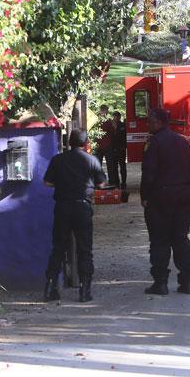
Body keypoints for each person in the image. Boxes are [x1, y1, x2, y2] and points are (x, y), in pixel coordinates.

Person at [43, 129, 107, 302]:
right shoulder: (91, 160)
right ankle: (85, 291)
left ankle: (50, 288)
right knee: (84, 249)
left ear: (69, 142)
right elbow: (101, 183)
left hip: (62, 207)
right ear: (85, 144)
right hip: (82, 207)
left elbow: (47, 182)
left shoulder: (58, 159)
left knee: (58, 248)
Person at [140, 108, 190, 295]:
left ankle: (161, 282)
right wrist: (189, 191)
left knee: (159, 240)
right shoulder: (182, 141)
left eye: (149, 121)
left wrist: (145, 196)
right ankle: (187, 281)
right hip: (183, 194)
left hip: (160, 197)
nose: (147, 124)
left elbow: (149, 173)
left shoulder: (154, 143)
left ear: (158, 122)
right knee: (181, 237)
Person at [109, 111, 127, 189]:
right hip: (113, 149)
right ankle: (117, 183)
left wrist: (124, 147)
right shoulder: (110, 126)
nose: (116, 118)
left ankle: (124, 183)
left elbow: (125, 137)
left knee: (122, 167)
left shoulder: (123, 125)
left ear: (119, 117)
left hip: (121, 149)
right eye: (115, 117)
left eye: (117, 117)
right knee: (114, 167)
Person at [94, 104, 115, 173]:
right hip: (107, 145)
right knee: (110, 164)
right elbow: (113, 131)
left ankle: (98, 181)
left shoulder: (95, 120)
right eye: (107, 110)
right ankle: (112, 180)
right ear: (106, 110)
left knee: (98, 164)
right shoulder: (108, 121)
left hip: (97, 145)